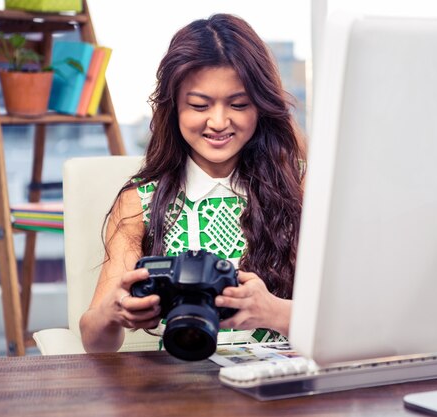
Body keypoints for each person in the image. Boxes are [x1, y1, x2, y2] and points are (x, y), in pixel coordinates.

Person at [79, 13, 306, 353]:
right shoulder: (141, 200)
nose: (218, 122)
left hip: (277, 385)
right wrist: (113, 312)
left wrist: (272, 311)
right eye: (199, 105)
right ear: (173, 109)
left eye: (239, 104)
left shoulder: (300, 185)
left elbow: (346, 318)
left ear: (260, 107)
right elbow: (95, 343)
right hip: (180, 387)